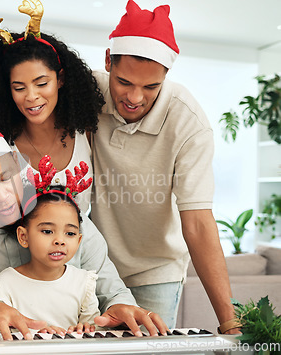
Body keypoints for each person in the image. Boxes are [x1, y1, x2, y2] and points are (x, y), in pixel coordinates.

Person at [0, 117, 169, 341]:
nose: (2, 196)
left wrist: (121, 308)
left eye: (6, 177)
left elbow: (112, 291)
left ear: (17, 162)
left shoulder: (68, 219)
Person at [90, 0, 239, 333]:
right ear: (107, 62)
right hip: (89, 265)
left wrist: (229, 322)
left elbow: (198, 223)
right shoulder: (86, 93)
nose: (135, 98)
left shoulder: (189, 123)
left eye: (151, 87)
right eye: (124, 82)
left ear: (166, 77)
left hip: (153, 271)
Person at [0, 0, 104, 215]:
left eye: (42, 84)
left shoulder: (87, 132)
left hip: (83, 247)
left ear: (60, 79)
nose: (31, 97)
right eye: (19, 87)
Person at [0, 158, 99, 334]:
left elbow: (96, 330)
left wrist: (85, 329)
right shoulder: (5, 285)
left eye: (70, 234)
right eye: (47, 231)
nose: (59, 241)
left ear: (79, 240)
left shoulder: (84, 283)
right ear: (23, 236)